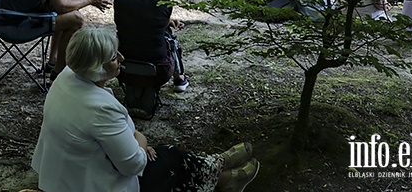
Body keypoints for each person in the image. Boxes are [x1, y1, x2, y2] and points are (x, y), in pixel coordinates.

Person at [32, 26, 259, 192]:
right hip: (88, 183)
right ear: (96, 67)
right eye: (113, 57)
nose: (121, 58)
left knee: (171, 155)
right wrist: (141, 140)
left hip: (63, 173)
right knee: (170, 164)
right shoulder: (98, 108)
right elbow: (133, 164)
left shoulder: (68, 75)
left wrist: (134, 138)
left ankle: (218, 167)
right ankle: (222, 175)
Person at [114, 0, 189, 92]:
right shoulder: (163, 3)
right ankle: (180, 79)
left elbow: (142, 19)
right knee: (169, 37)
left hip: (124, 69)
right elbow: (153, 19)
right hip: (158, 72)